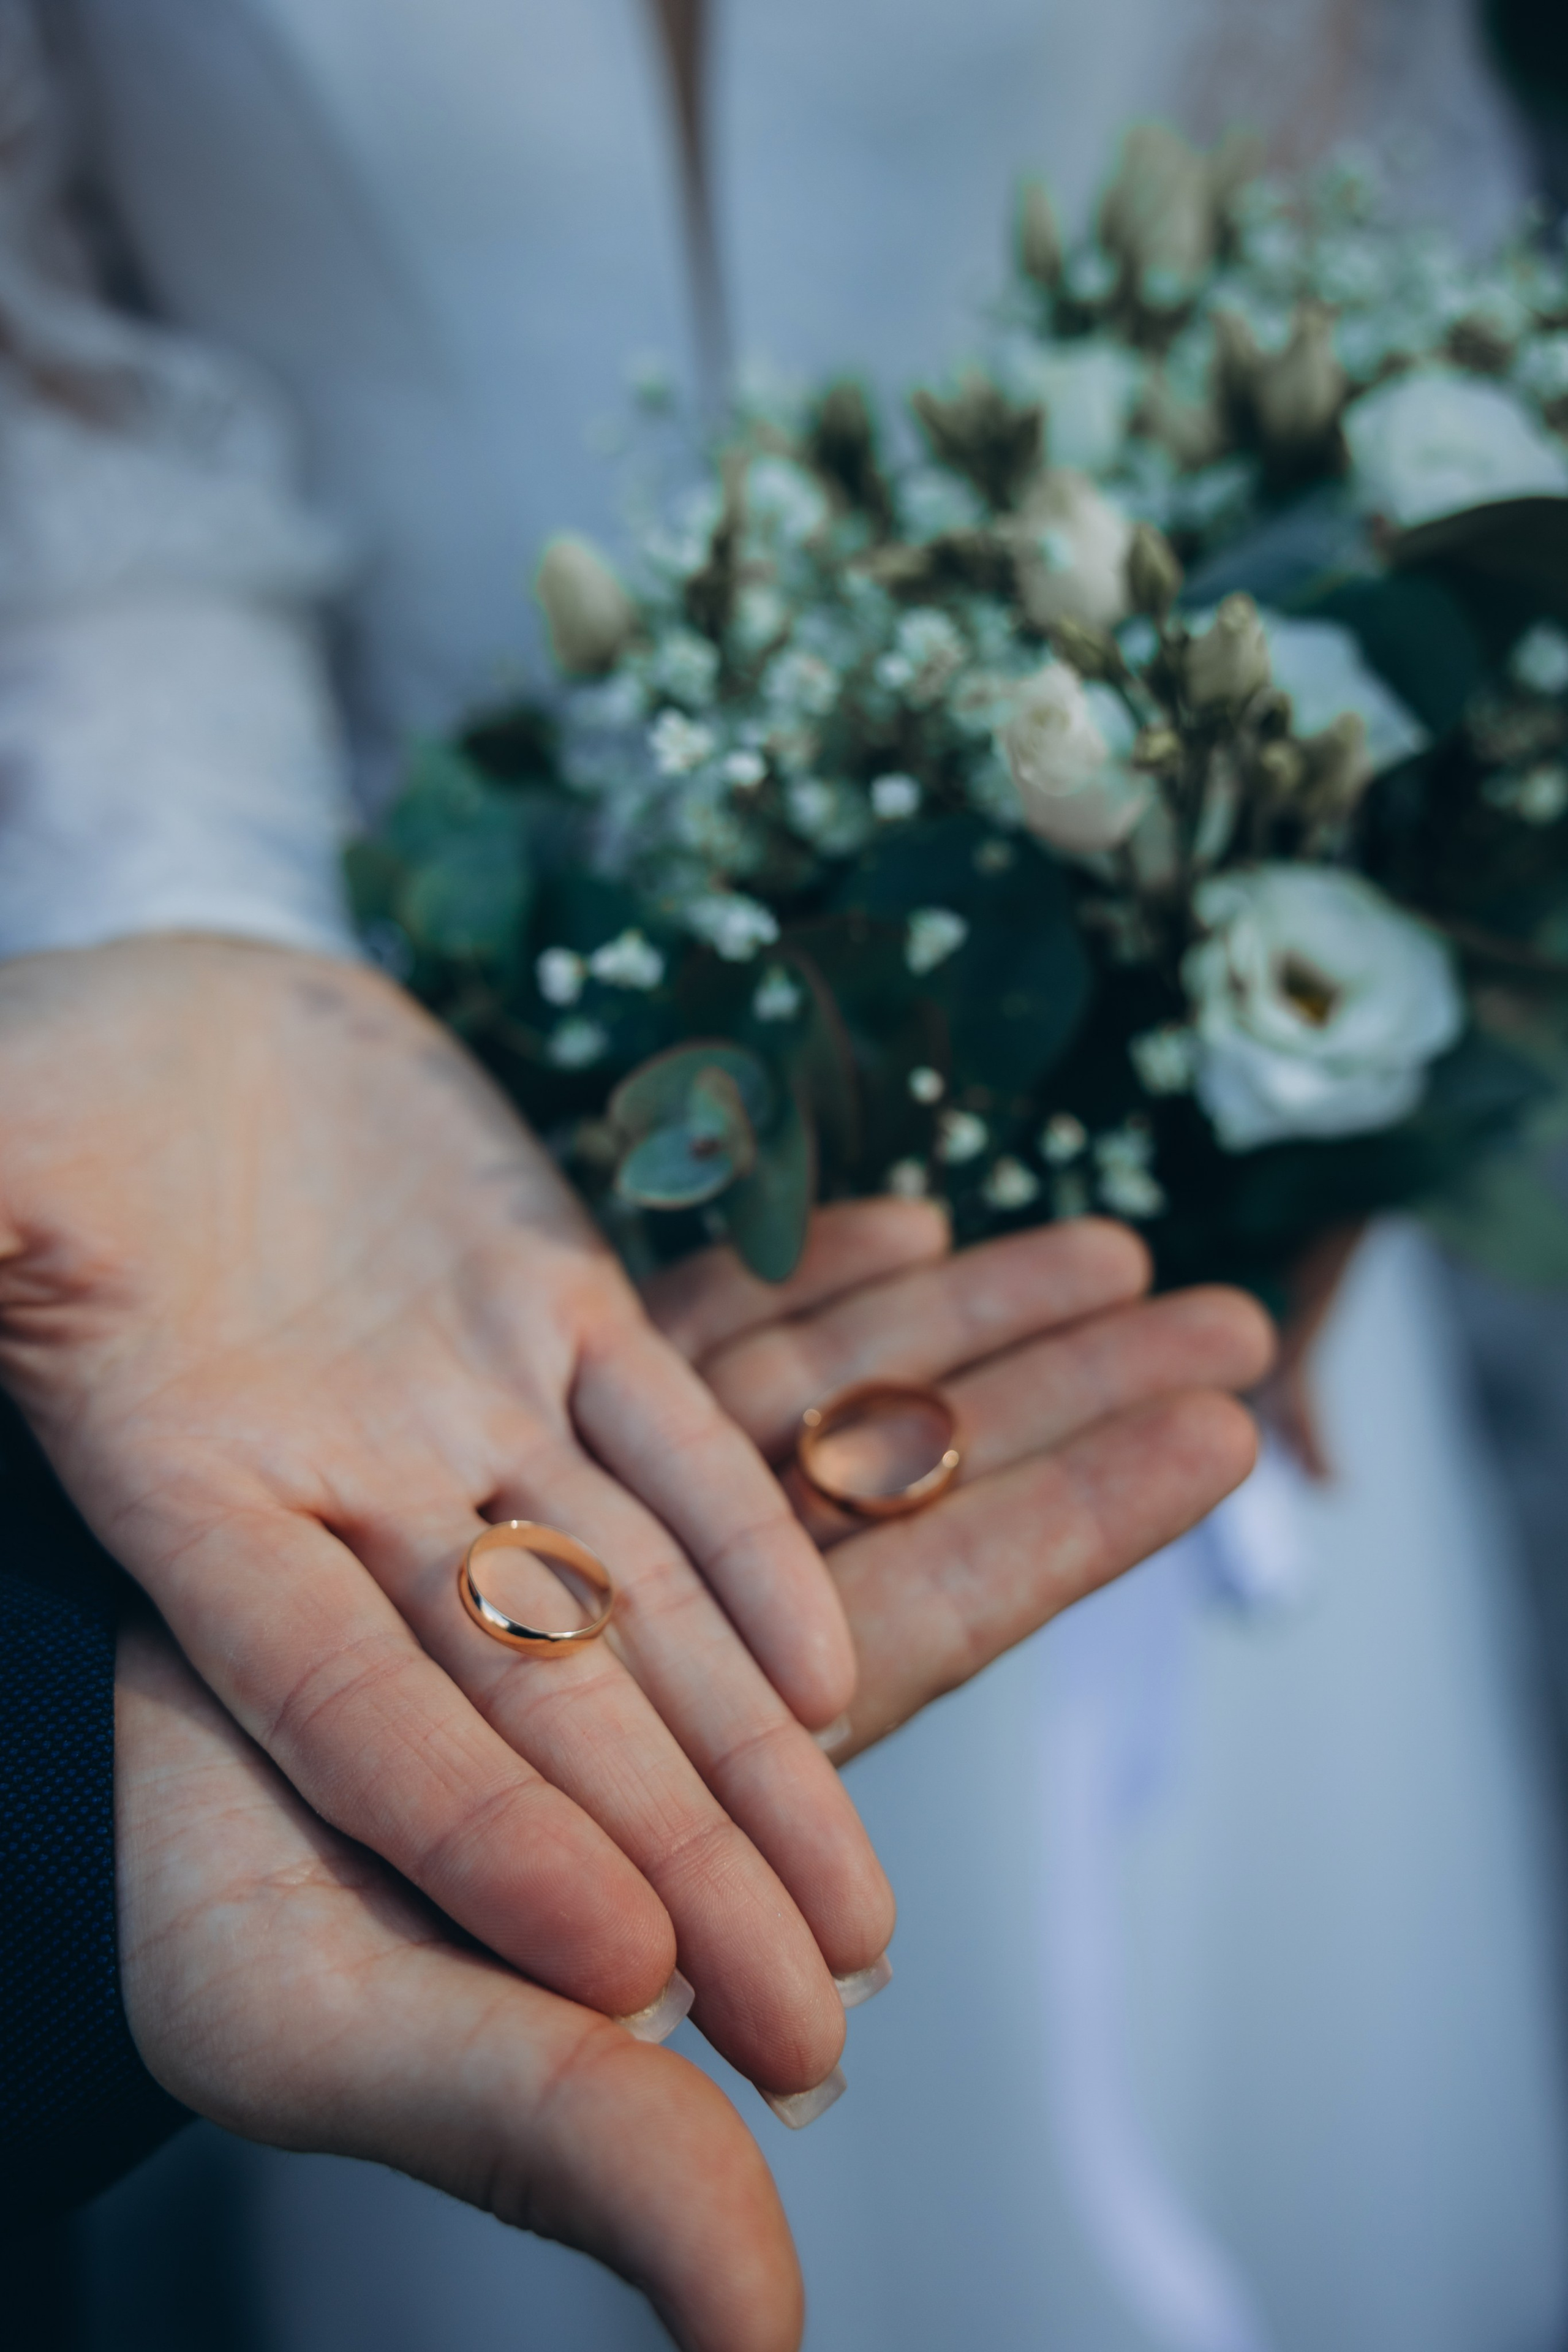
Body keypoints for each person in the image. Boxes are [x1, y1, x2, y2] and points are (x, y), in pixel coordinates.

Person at [4, 4, 1567, 2349]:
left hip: (1141, 1130)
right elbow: (53, 380)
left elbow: (1387, 249)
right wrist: (208, 944)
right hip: (420, 1154)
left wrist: (1309, 979)